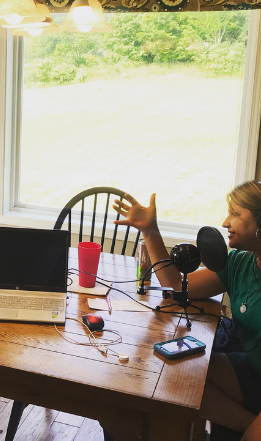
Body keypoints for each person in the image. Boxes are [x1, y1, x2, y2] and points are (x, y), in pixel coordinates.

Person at [109, 181, 261, 441]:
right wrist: (150, 230)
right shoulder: (239, 262)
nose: (225, 222)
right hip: (252, 369)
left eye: (235, 214)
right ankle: (243, 425)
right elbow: (176, 285)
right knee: (179, 376)